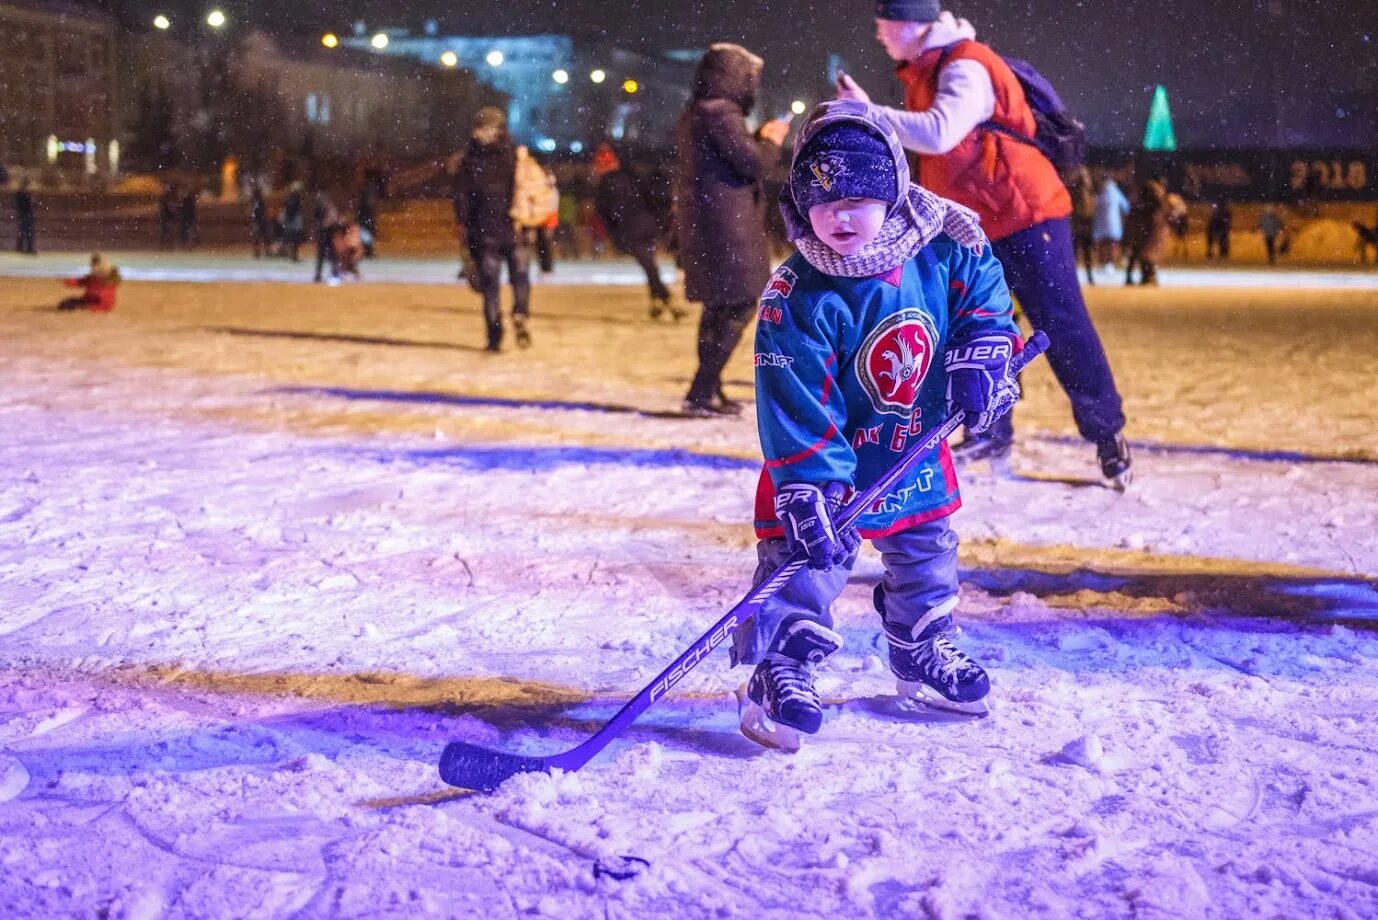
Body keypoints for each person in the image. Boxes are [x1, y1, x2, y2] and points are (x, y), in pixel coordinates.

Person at [732, 101, 1021, 747]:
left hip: (911, 445)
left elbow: (986, 298)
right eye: (822, 197)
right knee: (806, 566)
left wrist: (982, 355)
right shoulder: (796, 294)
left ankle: (920, 644)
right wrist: (811, 487)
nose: (841, 214)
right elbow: (795, 401)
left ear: (893, 190)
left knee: (927, 557)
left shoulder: (943, 247)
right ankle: (779, 666)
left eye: (862, 197)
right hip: (825, 464)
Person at [838, 1, 1130, 485]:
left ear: (909, 23)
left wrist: (868, 113)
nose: (878, 35)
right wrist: (869, 107)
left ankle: (1107, 433)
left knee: (1060, 322)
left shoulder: (965, 64)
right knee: (978, 329)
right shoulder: (926, 70)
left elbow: (939, 132)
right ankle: (989, 430)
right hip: (973, 223)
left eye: (883, 24)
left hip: (1024, 212)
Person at [674, 43, 791, 416]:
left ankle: (708, 389)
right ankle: (702, 389)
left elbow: (731, 159)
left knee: (719, 306)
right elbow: (752, 165)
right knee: (739, 303)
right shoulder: (721, 113)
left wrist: (754, 140)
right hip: (728, 224)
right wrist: (771, 141)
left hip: (709, 221)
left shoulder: (698, 112)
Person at [454, 106, 531, 351]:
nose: (478, 133)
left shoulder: (469, 160)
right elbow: (526, 189)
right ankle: (520, 311)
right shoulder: (516, 156)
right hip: (512, 226)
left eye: (483, 128)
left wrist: (464, 222)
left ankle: (495, 336)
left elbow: (461, 196)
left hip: (486, 229)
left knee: (491, 286)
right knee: (518, 276)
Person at [593, 143, 683, 320]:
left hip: (631, 228)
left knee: (648, 266)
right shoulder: (630, 176)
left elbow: (605, 211)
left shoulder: (606, 184)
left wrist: (614, 231)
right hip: (647, 224)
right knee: (649, 264)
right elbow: (649, 196)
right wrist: (657, 219)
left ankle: (665, 298)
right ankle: (658, 299)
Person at [510, 145, 556, 275]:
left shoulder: (521, 168)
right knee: (539, 241)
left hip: (528, 211)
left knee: (527, 241)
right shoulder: (536, 169)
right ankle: (543, 267)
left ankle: (524, 267)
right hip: (536, 211)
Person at [1124, 177, 1169, 286]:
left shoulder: (1143, 198)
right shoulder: (1156, 195)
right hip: (1149, 225)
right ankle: (1147, 277)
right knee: (1147, 253)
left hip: (1143, 226)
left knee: (1141, 252)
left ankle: (1144, 277)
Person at [1067, 166, 1098, 285]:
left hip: (1084, 226)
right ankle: (1074, 277)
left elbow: (1090, 210)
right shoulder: (1077, 193)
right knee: (1076, 252)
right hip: (1079, 226)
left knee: (1085, 252)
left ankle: (1089, 276)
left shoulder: (1088, 193)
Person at [1093, 175, 1130, 271]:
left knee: (1102, 246)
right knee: (1112, 246)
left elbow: (1095, 208)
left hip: (1101, 225)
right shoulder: (1116, 192)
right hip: (1114, 225)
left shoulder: (1100, 193)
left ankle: (1102, 264)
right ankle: (1110, 264)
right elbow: (1126, 207)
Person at [312, 190, 342, 283]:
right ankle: (331, 273)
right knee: (329, 255)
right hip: (326, 233)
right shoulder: (327, 208)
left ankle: (325, 274)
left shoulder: (327, 208)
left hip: (326, 233)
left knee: (327, 255)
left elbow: (333, 221)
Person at [282, 182, 305, 262]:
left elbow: (290, 208)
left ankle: (293, 255)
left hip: (292, 220)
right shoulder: (293, 198)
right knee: (293, 239)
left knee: (293, 239)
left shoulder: (292, 198)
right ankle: (292, 255)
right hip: (293, 220)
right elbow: (291, 208)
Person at [13, 178, 37, 255]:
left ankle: (24, 248)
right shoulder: (21, 194)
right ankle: (24, 248)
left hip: (25, 214)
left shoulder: (22, 194)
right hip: (24, 214)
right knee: (25, 231)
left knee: (24, 231)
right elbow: (24, 205)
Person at [249, 182, 271, 259]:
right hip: (260, 220)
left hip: (258, 221)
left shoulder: (255, 201)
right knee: (263, 237)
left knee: (258, 238)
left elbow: (255, 211)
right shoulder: (258, 201)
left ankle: (258, 252)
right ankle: (263, 252)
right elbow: (261, 211)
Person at [158, 183, 179, 250]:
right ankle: (166, 245)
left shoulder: (169, 197)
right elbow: (167, 207)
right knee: (167, 231)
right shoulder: (169, 197)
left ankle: (166, 245)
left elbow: (165, 207)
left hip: (168, 217)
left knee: (167, 232)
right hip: (168, 217)